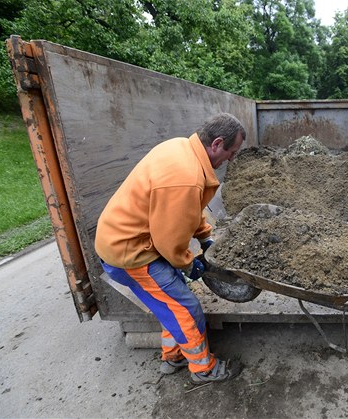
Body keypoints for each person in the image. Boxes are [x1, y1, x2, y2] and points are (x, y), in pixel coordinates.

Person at [95, 112, 246, 384]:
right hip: (131, 253)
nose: (232, 159)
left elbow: (190, 207)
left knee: (170, 301)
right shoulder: (185, 176)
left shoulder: (182, 149)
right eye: (232, 152)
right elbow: (169, 242)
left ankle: (173, 356)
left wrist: (204, 238)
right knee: (187, 308)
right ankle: (203, 369)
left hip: (128, 242)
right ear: (217, 144)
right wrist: (189, 263)